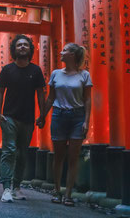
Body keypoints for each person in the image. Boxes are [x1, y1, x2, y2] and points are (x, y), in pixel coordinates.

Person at [36, 43, 92, 207]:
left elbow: (87, 100)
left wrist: (87, 121)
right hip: (59, 115)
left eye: (65, 50)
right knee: (59, 156)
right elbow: (50, 98)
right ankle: (57, 190)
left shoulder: (84, 75)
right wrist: (42, 116)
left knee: (73, 158)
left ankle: (68, 194)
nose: (61, 52)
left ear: (73, 55)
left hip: (77, 116)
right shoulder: (55, 74)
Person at [0, 34, 46, 203]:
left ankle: (17, 187)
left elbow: (40, 94)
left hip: (28, 118)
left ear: (30, 49)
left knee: (23, 154)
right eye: (19, 45)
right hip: (9, 116)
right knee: (9, 150)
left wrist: (43, 115)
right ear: (14, 49)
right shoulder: (8, 70)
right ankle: (6, 188)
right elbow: (0, 91)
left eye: (25, 45)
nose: (22, 47)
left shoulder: (35, 70)